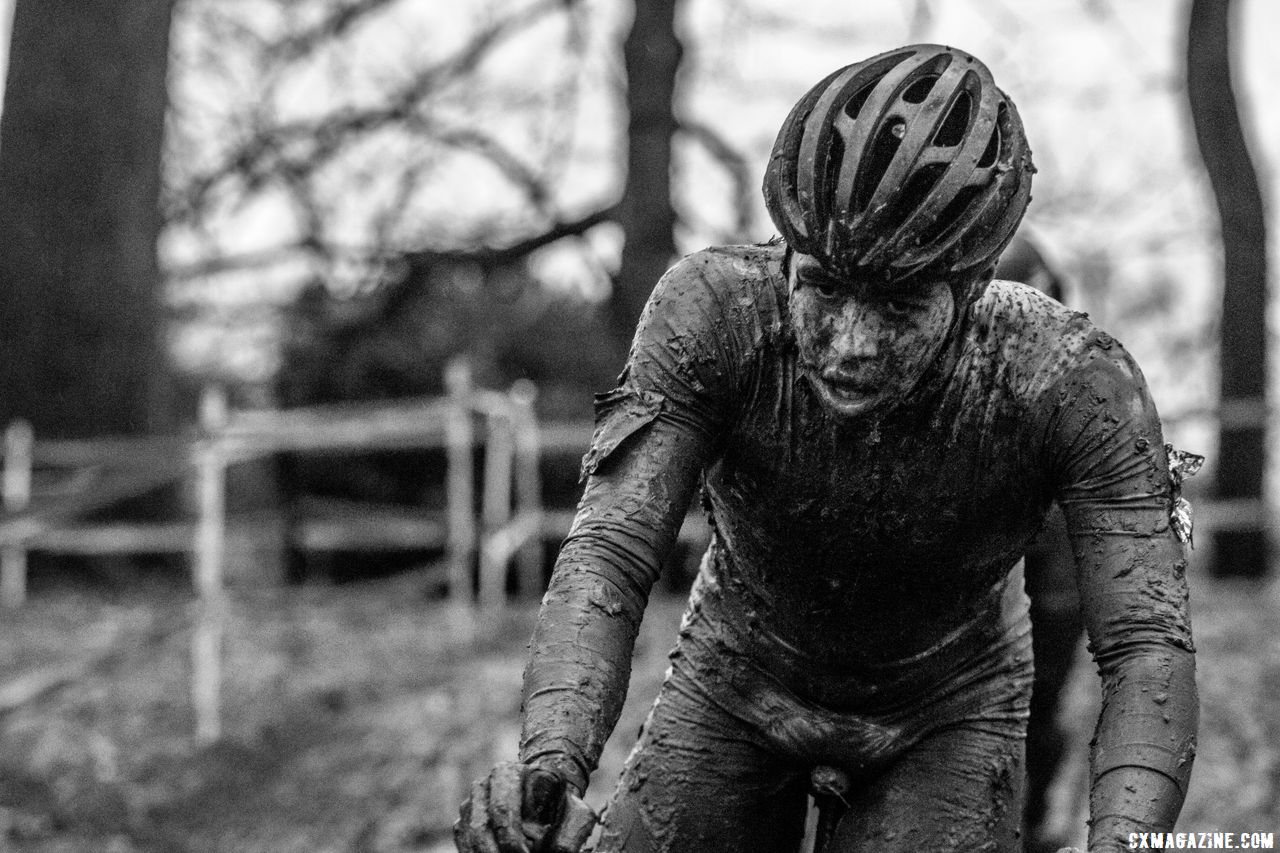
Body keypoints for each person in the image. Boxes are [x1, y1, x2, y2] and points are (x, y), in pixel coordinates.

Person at [455, 44, 1197, 853]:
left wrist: (1128, 840)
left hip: (950, 707)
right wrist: (550, 765)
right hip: (734, 681)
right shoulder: (712, 313)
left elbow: (1146, 643)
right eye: (824, 287)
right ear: (785, 254)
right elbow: (609, 551)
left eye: (900, 305)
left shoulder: (1072, 378)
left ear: (973, 286)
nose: (850, 343)